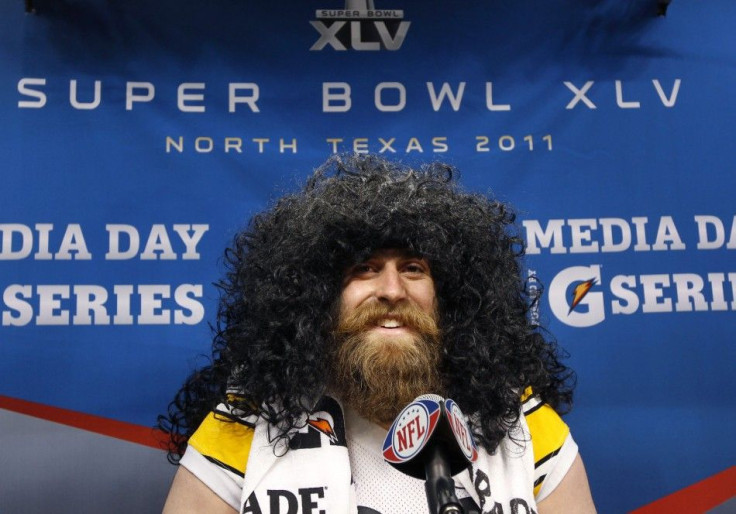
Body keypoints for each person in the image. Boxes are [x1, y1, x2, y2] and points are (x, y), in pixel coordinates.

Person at [160, 154, 596, 513]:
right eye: (364, 269)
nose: (391, 291)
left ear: (452, 297)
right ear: (317, 296)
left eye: (413, 269)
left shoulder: (523, 421)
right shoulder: (244, 422)